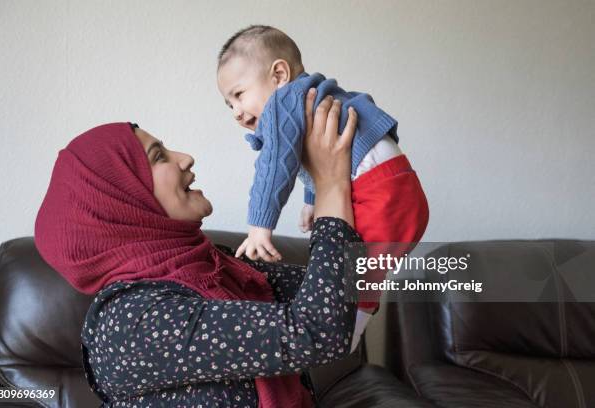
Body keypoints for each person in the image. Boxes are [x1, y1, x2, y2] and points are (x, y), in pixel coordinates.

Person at [34, 93, 361, 407]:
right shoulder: (133, 322)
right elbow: (316, 332)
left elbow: (353, 285)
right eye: (158, 156)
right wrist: (330, 184)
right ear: (120, 203)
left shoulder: (214, 270)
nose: (184, 158)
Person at [217, 25, 430, 348]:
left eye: (238, 95)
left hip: (379, 191)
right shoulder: (312, 96)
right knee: (360, 271)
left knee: (351, 277)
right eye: (228, 104)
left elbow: (276, 163)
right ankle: (349, 329)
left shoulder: (283, 99)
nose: (235, 112)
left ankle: (347, 335)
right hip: (395, 185)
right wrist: (312, 199)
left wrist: (259, 226)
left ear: (278, 74)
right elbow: (318, 156)